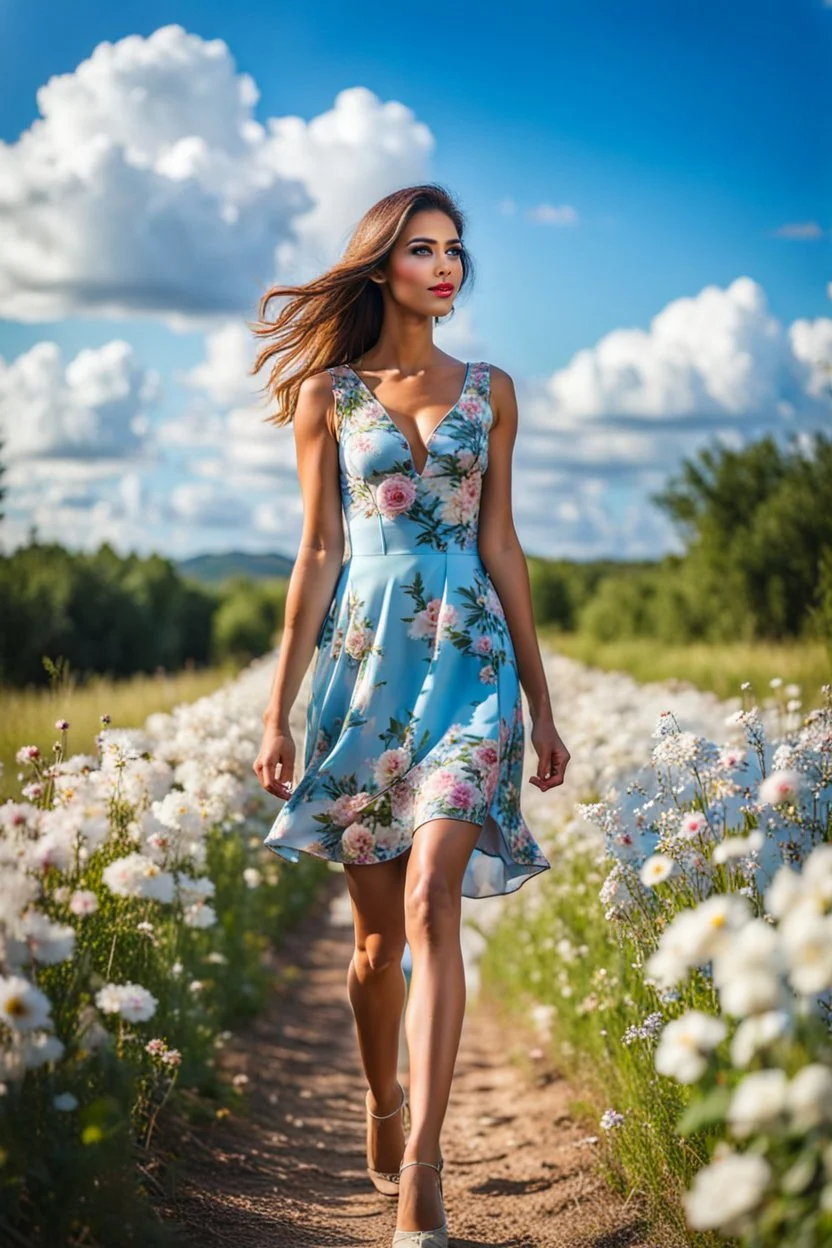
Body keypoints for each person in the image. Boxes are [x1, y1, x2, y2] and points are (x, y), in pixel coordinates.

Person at [251, 183, 571, 1247]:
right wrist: (277, 712)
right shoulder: (328, 394)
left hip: (471, 669)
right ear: (382, 264)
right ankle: (381, 1099)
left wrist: (539, 696)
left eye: (456, 250)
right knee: (375, 948)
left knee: (435, 896)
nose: (446, 266)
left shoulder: (491, 390)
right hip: (364, 675)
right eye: (422, 249)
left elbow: (503, 545)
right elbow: (316, 554)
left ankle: (425, 1168)